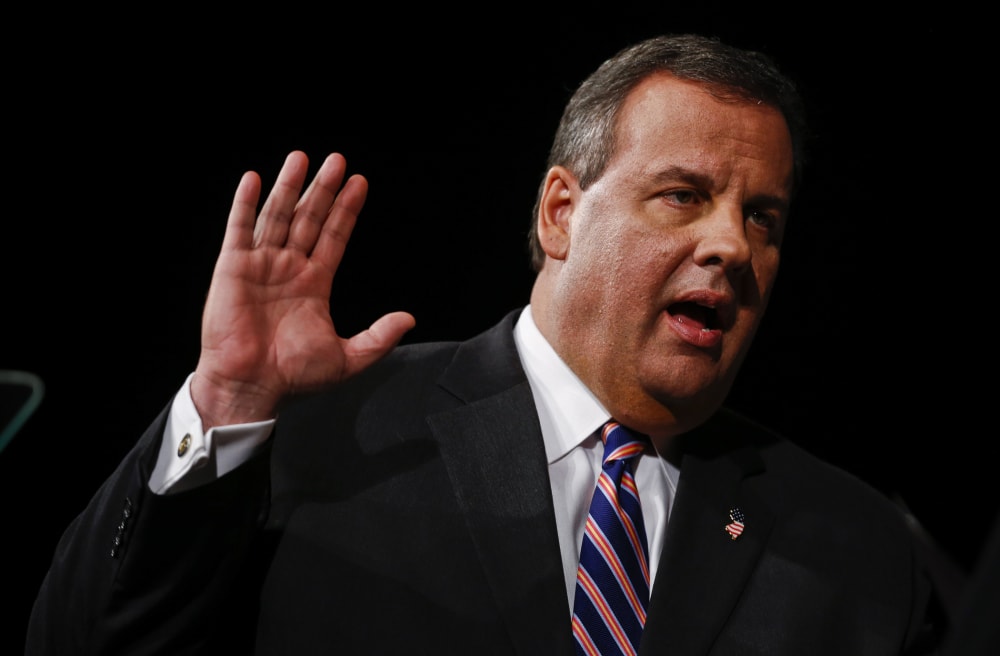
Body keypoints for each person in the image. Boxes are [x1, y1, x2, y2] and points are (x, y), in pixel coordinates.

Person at [26, 33, 945, 654]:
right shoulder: (325, 433)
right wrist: (225, 405)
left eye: (764, 217)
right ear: (561, 214)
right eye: (682, 196)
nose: (732, 247)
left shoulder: (857, 548)